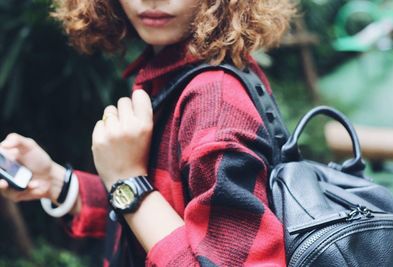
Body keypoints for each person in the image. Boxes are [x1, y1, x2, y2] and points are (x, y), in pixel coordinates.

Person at [0, 0, 295, 266]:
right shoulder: (184, 75)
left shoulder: (211, 100)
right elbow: (165, 218)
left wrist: (128, 183)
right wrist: (57, 182)